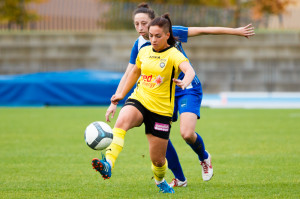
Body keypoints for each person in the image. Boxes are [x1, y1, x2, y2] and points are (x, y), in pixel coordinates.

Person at [104, 3, 255, 187]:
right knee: (161, 137)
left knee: (186, 133)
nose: (141, 28)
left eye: (144, 23)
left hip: (186, 88)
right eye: (136, 24)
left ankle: (204, 157)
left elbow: (203, 30)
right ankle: (180, 179)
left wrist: (236, 31)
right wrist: (115, 99)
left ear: (157, 24)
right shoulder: (140, 46)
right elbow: (130, 73)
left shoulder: (171, 32)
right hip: (160, 96)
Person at [92, 14, 196, 193]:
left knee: (158, 161)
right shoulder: (144, 51)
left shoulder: (173, 54)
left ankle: (160, 180)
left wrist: (185, 81)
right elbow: (135, 72)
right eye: (150, 35)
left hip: (161, 111)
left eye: (157, 36)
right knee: (122, 121)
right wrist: (121, 95)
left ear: (167, 36)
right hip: (140, 99)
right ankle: (108, 163)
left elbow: (189, 70)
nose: (153, 39)